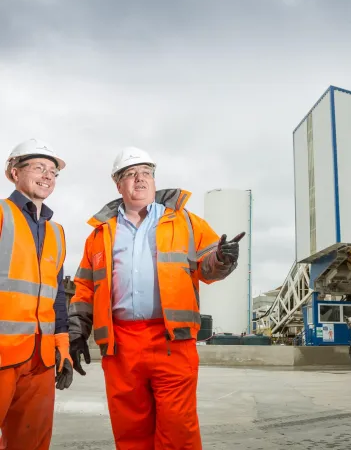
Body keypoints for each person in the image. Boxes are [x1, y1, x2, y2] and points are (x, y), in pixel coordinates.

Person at [68, 146, 244, 450]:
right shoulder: (99, 235)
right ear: (117, 183)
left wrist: (223, 259)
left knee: (178, 430)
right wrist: (76, 331)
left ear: (154, 178)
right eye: (130, 174)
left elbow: (208, 270)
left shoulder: (186, 222)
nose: (139, 179)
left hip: (171, 342)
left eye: (146, 173)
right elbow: (85, 287)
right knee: (130, 429)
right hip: (120, 344)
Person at [0, 138, 73, 450]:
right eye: (40, 168)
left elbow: (57, 298)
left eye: (53, 172)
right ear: (15, 173)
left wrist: (63, 349)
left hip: (41, 360)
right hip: (2, 353)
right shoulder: (2, 215)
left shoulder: (57, 233)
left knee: (31, 442)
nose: (48, 176)